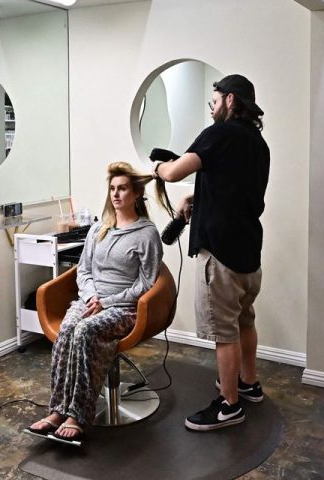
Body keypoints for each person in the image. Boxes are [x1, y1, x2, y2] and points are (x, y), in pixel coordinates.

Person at [152, 74, 270, 431]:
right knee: (244, 320)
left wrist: (157, 167)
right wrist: (198, 196)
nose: (212, 107)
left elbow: (173, 173)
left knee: (224, 333)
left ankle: (229, 405)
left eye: (214, 100)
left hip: (220, 255)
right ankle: (248, 383)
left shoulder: (218, 134)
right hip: (249, 252)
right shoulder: (258, 143)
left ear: (230, 100)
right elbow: (233, 187)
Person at [27, 162, 164, 443]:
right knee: (67, 330)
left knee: (85, 331)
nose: (116, 194)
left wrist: (107, 301)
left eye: (122, 188)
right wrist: (91, 297)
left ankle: (77, 415)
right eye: (112, 188)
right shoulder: (99, 229)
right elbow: (84, 270)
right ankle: (57, 410)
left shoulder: (146, 233)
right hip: (90, 301)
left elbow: (146, 283)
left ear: (136, 193)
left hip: (124, 308)